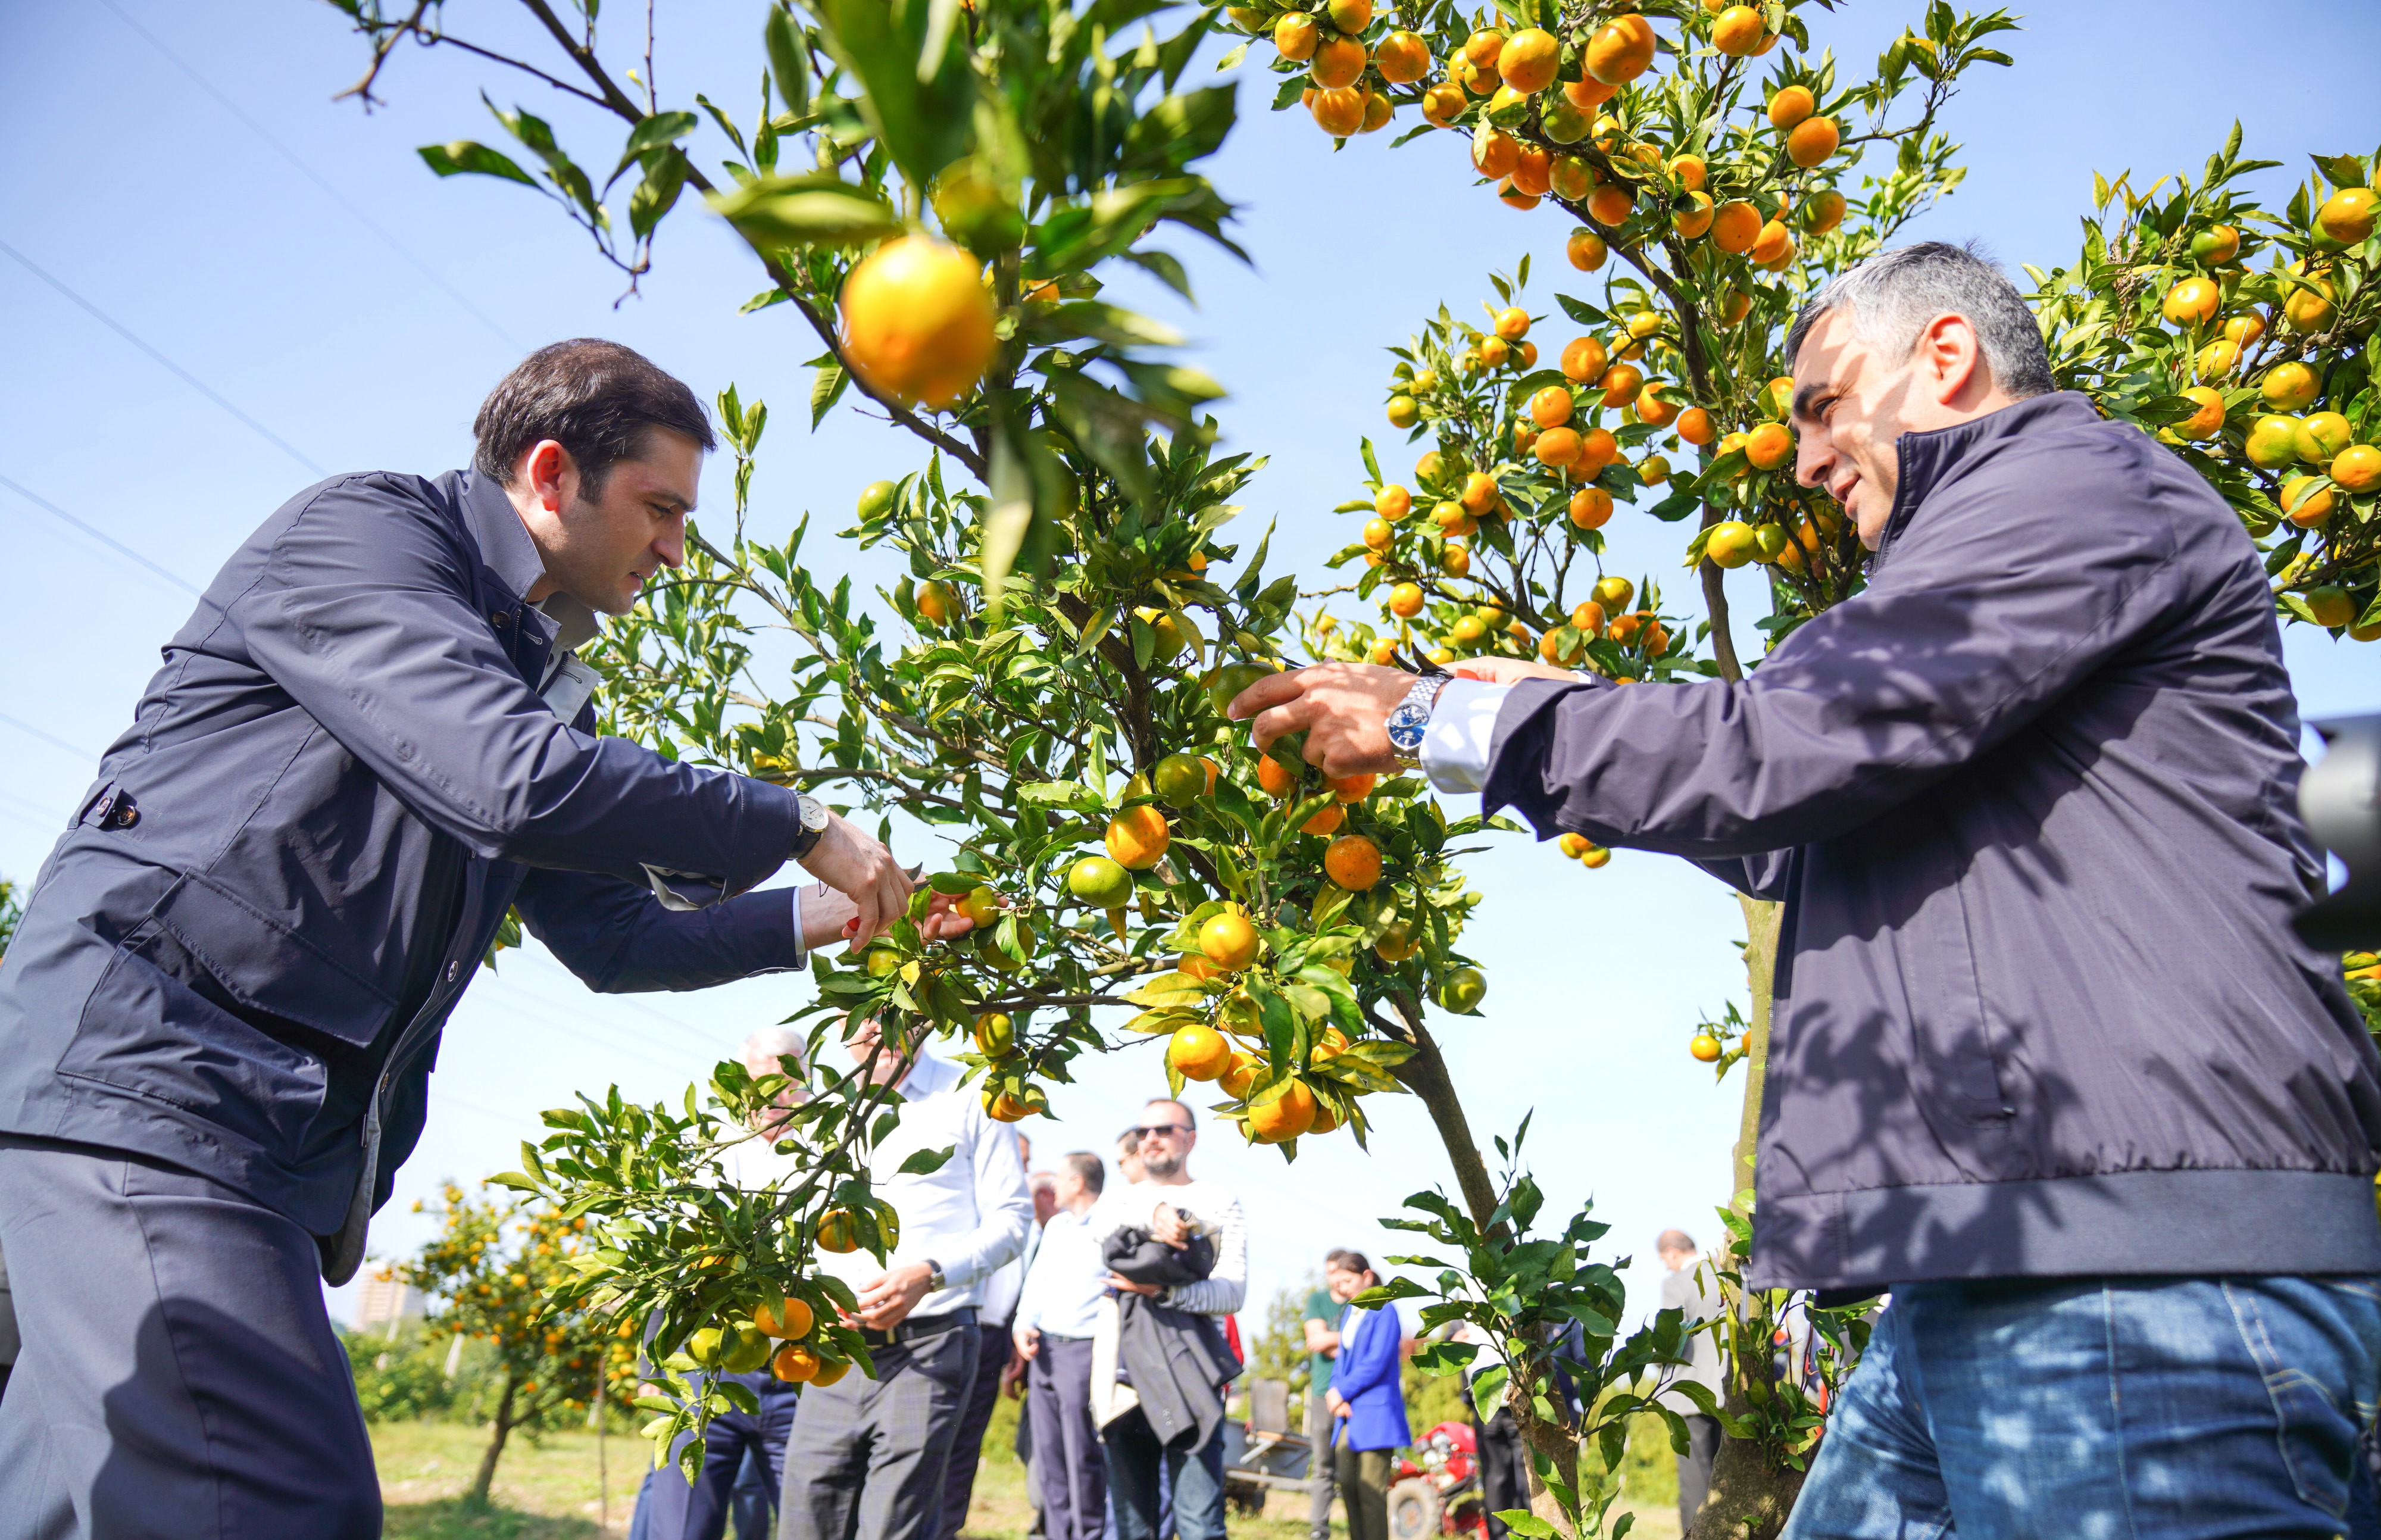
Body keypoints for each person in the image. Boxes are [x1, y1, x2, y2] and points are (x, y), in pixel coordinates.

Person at [1226, 241, 2381, 1536]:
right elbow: (1802, 821)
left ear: (1945, 356)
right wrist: (1557, 712)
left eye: (1823, 407)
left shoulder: (2070, 483)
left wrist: (1448, 721)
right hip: (1999, 1255)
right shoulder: (1987, 560)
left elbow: (1796, 744)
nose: (1801, 457)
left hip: (2138, 1262)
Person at [0, 340, 959, 1539]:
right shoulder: (367, 538)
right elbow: (514, 783)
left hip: (251, 1129)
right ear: (551, 474)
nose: (676, 549)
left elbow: (615, 938)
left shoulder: (534, 683)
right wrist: (798, 823)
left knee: (62, 1508)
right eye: (660, 508)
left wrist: (838, 913)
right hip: (154, 1083)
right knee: (278, 1501)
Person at [780, 1017, 1034, 1540]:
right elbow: (789, 1218)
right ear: (842, 1020)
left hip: (929, 1346)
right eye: (865, 1012)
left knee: (896, 1524)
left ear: (928, 1014)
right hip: (832, 1350)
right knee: (807, 1514)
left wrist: (931, 1274)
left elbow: (1012, 1220)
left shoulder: (970, 1093)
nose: (882, 1026)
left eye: (899, 1008)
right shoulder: (822, 1101)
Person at [1089, 1099, 1246, 1540]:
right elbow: (1101, 1226)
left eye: (1164, 1129)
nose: (1151, 1139)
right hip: (1123, 1380)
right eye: (1143, 1132)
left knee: (1200, 1524)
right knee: (1131, 1526)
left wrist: (1162, 1292)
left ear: (1190, 1139)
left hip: (1192, 1375)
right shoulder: (1119, 1199)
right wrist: (1157, 1213)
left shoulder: (1218, 1200)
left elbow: (1232, 1293)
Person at [935, 1130, 1037, 1540]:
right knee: (938, 1432)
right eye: (1019, 1159)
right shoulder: (967, 1203)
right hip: (955, 1326)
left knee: (968, 1436)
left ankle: (948, 1527)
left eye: (1027, 1162)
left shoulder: (1018, 1216)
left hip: (995, 1337)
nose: (1023, 1169)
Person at [1015, 1151, 1112, 1540]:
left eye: (1059, 1176)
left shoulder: (1111, 1224)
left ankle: (1088, 1533)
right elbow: (1036, 1280)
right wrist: (1023, 1323)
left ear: (1077, 1182)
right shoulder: (1056, 1225)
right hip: (1044, 1351)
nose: (1052, 1184)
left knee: (1082, 1453)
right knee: (1049, 1454)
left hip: (1084, 1352)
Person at [1321, 1251, 1407, 1540]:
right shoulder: (1350, 1312)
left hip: (1376, 1413)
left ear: (1367, 1276)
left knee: (1371, 1492)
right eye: (1338, 1284)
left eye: (1347, 1281)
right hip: (1349, 1412)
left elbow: (1377, 1361)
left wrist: (1343, 1391)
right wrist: (1336, 1393)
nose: (1342, 1288)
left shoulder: (1385, 1310)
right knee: (1348, 1485)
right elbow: (1341, 1362)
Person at [1653, 1230, 1726, 1536]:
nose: (1666, 1266)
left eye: (1664, 1260)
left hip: (1690, 1396)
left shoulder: (1677, 1283)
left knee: (1696, 1481)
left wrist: (1656, 1359)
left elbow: (1671, 1340)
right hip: (1729, 1392)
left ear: (1672, 1252)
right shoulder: (1726, 1274)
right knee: (1727, 1478)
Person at [1299, 1270, 1343, 1540]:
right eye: (1330, 1272)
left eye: (1340, 1273)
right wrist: (1351, 1343)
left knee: (1354, 1467)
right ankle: (1319, 1528)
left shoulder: (1359, 1304)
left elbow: (1370, 1342)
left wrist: (1333, 1338)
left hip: (1353, 1394)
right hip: (1322, 1393)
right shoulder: (1317, 1299)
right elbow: (1316, 1341)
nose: (1335, 1278)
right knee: (1323, 1465)